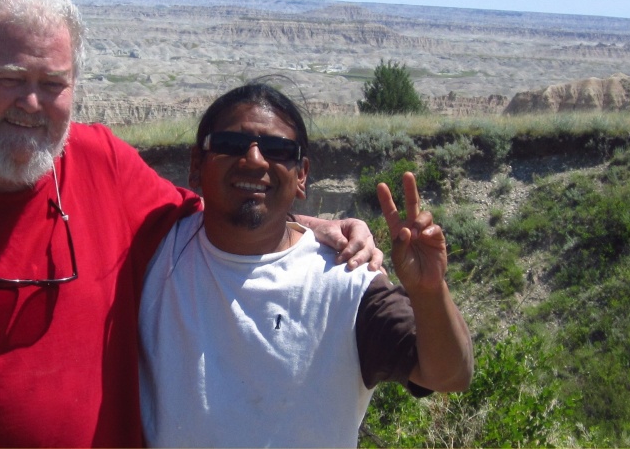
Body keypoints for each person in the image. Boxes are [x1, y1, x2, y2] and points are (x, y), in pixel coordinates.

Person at [0, 0, 382, 447]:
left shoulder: (103, 164)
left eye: (54, 83)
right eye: (11, 78)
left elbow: (211, 213)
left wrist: (312, 227)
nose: (32, 103)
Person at [139, 82, 474, 447]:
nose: (253, 160)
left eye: (278, 149)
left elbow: (448, 375)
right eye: (230, 145)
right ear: (196, 165)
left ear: (302, 175)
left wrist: (429, 291)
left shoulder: (346, 280)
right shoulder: (153, 252)